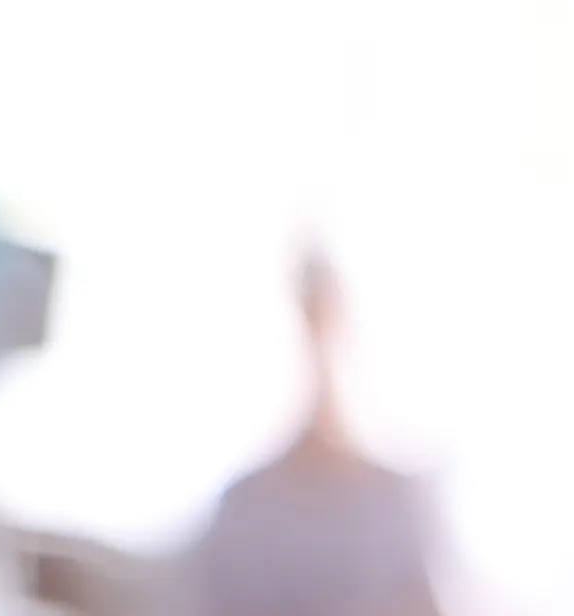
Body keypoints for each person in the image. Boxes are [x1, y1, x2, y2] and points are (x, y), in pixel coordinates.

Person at [177, 252, 448, 616]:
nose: (319, 357)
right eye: (307, 325)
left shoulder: (399, 499)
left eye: (326, 325)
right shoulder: (242, 509)